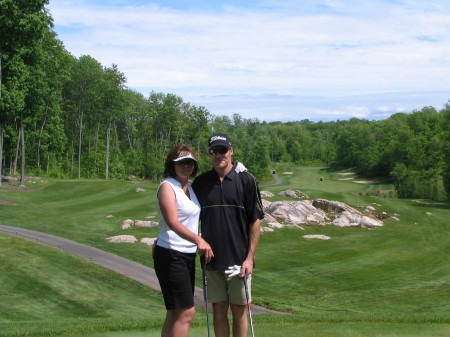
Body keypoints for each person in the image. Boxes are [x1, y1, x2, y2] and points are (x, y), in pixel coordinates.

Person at [192, 133, 264, 337]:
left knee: (240, 311)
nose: (219, 155)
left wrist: (250, 258)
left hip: (239, 261)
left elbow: (255, 220)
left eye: (223, 150)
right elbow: (189, 216)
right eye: (214, 151)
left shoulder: (246, 180)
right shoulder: (201, 183)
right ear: (209, 154)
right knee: (218, 311)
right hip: (211, 259)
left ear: (231, 151)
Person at [153, 144, 214, 337]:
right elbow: (172, 222)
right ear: (172, 164)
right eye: (181, 162)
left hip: (186, 255)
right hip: (171, 254)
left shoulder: (191, 188)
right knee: (187, 312)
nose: (185, 166)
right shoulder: (167, 186)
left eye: (189, 162)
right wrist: (199, 240)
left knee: (174, 313)